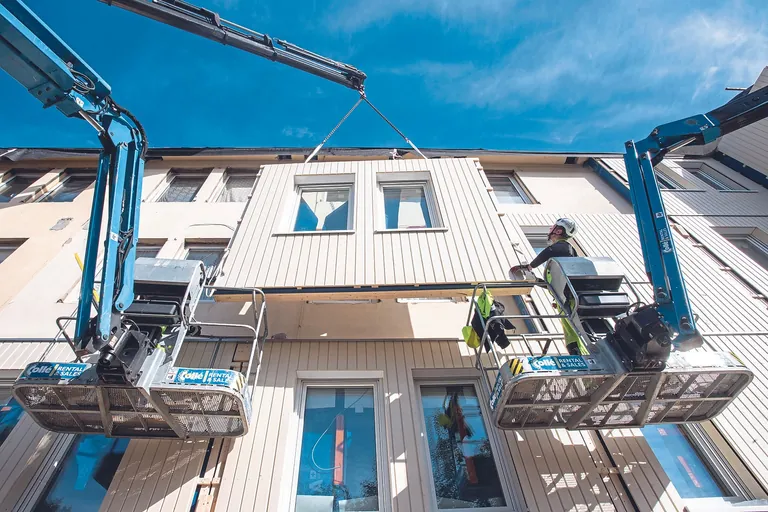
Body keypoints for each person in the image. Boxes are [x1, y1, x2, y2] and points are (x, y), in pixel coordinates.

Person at [510, 218, 585, 355]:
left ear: (559, 231)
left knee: (579, 334)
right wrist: (536, 281)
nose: (550, 229)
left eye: (553, 227)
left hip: (571, 301)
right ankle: (577, 355)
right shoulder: (560, 257)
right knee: (571, 335)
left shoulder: (564, 247)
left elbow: (549, 252)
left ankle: (586, 357)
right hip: (564, 302)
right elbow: (553, 286)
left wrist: (529, 267)